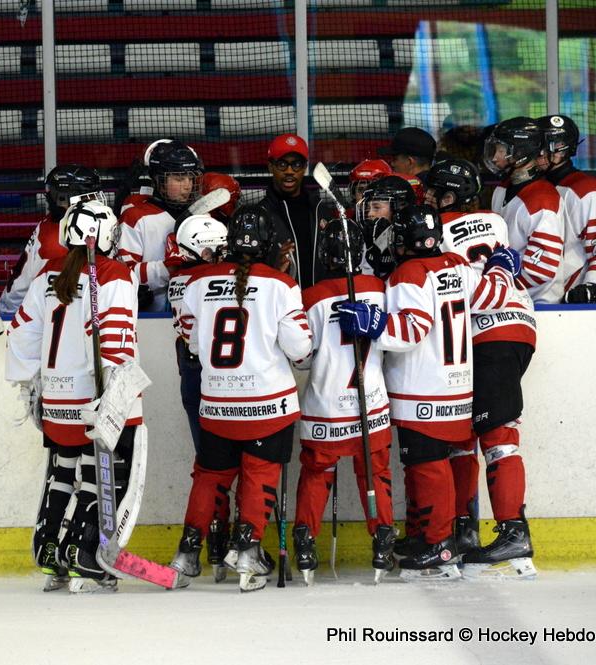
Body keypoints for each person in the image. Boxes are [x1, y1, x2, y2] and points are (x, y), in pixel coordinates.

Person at [338, 204, 520, 581]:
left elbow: (411, 330)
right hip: (458, 387)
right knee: (440, 463)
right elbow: (492, 296)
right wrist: (501, 268)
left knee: (427, 465)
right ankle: (436, 536)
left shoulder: (409, 273)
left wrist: (374, 324)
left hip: (422, 389)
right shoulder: (456, 264)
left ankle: (440, 544)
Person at [168, 205, 313, 592]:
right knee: (259, 474)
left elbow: (192, 342)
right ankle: (248, 551)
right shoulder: (281, 285)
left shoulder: (198, 281)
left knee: (209, 477)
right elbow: (300, 349)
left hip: (217, 403)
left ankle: (186, 553)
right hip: (268, 405)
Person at [5, 200, 143, 594]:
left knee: (63, 472)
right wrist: (113, 398)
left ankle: (49, 551)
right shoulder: (114, 274)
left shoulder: (47, 273)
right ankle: (82, 553)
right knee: (103, 478)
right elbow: (115, 342)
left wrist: (32, 387)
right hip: (94, 400)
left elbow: (21, 333)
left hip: (57, 402)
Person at [427, 158, 538, 579]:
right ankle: (466, 531)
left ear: (448, 196)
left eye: (434, 193)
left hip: (485, 333)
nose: (428, 199)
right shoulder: (495, 221)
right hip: (516, 325)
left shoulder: (437, 231)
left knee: (494, 436)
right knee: (468, 434)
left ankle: (511, 532)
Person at [291, 217, 396, 585]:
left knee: (317, 473)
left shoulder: (311, 297)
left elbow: (301, 358)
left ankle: (305, 543)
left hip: (326, 406)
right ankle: (382, 541)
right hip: (371, 402)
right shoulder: (380, 289)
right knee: (375, 472)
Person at [164, 214, 230, 578]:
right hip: (221, 378)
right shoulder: (211, 279)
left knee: (209, 464)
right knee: (232, 464)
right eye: (217, 248)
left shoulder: (179, 278)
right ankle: (228, 543)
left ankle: (214, 543)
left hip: (192, 376)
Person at [0, 164, 104, 317]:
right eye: (88, 195)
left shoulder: (48, 225)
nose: (93, 200)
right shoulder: (61, 239)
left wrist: (7, 310)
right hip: (60, 319)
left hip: (26, 312)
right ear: (64, 197)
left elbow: (19, 289)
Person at [537, 114, 596, 303]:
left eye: (545, 145)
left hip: (570, 303)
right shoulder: (531, 187)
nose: (539, 151)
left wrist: (592, 286)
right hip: (533, 298)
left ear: (563, 149)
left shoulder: (586, 189)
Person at [485, 116, 565, 304]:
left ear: (520, 152)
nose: (495, 157)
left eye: (501, 150)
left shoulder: (543, 199)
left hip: (540, 305)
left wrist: (498, 291)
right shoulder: (501, 190)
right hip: (509, 299)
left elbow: (541, 270)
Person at [119, 139, 203, 311]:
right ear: (158, 181)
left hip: (196, 315)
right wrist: (167, 268)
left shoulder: (202, 217)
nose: (187, 186)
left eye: (190, 178)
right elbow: (123, 274)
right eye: (179, 178)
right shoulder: (135, 217)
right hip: (151, 319)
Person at [257, 133, 336, 289]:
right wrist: (273, 267)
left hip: (319, 300)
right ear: (270, 166)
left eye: (296, 164)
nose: (289, 171)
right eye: (282, 164)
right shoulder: (260, 215)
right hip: (281, 301)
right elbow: (251, 273)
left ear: (305, 167)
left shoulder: (321, 210)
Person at [355, 174, 418, 280]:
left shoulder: (414, 241)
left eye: (376, 207)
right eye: (368, 208)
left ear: (399, 208)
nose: (370, 214)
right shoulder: (362, 239)